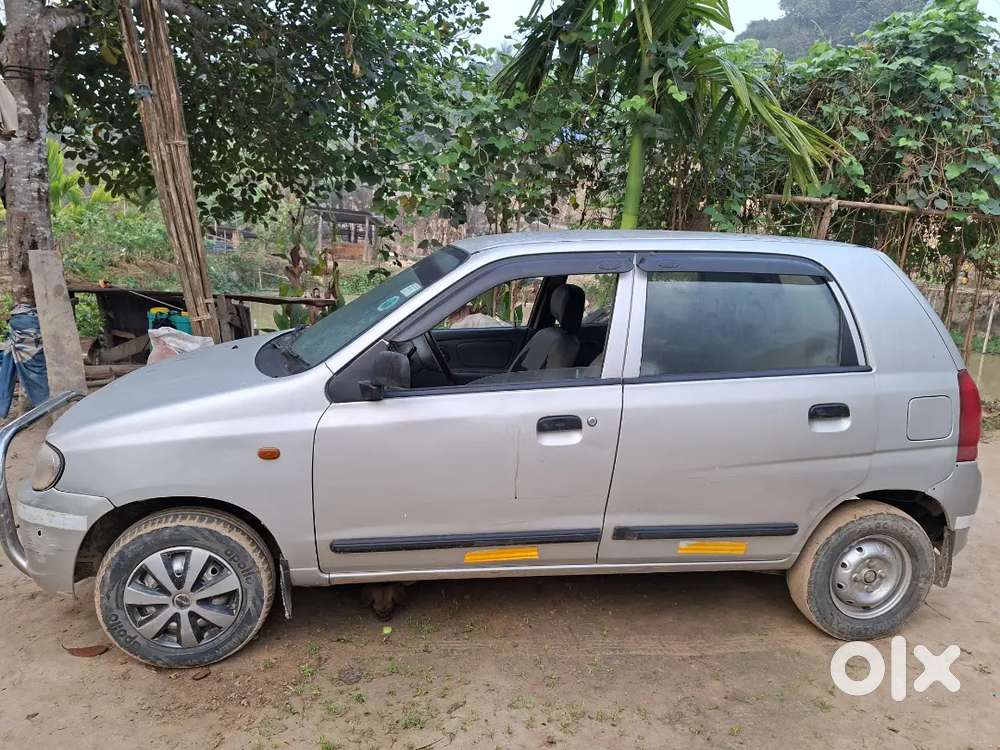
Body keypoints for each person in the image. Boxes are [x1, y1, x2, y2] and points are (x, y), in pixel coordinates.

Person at [0, 304, 49, 419]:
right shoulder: (32, 321)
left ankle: (44, 405)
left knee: (37, 377)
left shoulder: (17, 325)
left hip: (29, 349)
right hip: (33, 352)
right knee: (39, 378)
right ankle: (45, 405)